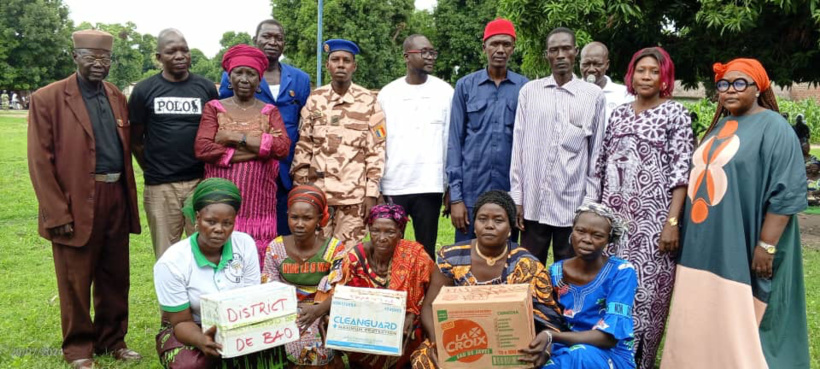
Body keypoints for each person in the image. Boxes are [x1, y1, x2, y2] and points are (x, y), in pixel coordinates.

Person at [662, 59, 810, 368]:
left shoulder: (775, 127)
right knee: (701, 309)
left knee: (745, 314)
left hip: (743, 242)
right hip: (703, 246)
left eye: (740, 83)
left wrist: (767, 245)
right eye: (724, 84)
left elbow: (786, 192)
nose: (730, 90)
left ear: (759, 88)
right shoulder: (718, 126)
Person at [27, 30, 142, 369]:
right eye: (90, 56)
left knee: (115, 275)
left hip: (115, 195)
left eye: (104, 58)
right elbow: (39, 160)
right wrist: (55, 212)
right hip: (74, 201)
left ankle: (113, 341)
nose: (98, 63)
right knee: (75, 279)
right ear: (74, 56)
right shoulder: (48, 98)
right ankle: (79, 349)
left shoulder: (116, 95)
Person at [594, 47, 693, 369]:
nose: (646, 77)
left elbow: (682, 174)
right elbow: (602, 165)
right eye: (641, 70)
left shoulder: (675, 113)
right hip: (614, 224)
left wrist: (673, 222)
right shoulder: (619, 113)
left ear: (664, 77)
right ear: (631, 75)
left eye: (654, 71)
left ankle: (641, 361)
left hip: (654, 226)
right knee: (611, 288)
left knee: (648, 297)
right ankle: (607, 355)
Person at [411, 190, 565, 368]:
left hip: (508, 341)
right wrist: (439, 343)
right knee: (425, 361)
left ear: (510, 229)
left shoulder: (525, 264)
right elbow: (430, 306)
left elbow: (548, 318)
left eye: (498, 220)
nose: (489, 225)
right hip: (460, 340)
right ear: (474, 225)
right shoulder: (451, 258)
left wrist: (542, 349)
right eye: (482, 219)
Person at [154, 178, 286, 369]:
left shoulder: (245, 244)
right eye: (211, 221)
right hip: (190, 326)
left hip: (238, 322)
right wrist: (202, 340)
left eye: (227, 223)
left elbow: (250, 299)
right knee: (189, 364)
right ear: (197, 218)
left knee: (274, 349)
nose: (219, 229)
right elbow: (181, 321)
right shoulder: (172, 262)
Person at [510, 27, 606, 264]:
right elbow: (518, 148)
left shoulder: (593, 96)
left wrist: (588, 205)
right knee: (530, 269)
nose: (561, 55)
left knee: (570, 272)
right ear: (547, 55)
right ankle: (533, 304)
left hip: (572, 204)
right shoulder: (529, 92)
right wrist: (517, 197)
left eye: (566, 49)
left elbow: (597, 154)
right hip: (533, 203)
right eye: (554, 50)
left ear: (575, 52)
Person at [194, 44, 291, 268]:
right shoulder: (214, 108)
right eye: (239, 73)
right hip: (220, 200)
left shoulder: (269, 111)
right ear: (229, 77)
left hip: (260, 203)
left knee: (255, 263)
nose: (244, 79)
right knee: (219, 256)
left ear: (259, 81)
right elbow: (203, 149)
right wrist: (260, 149)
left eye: (251, 74)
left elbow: (282, 147)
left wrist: (232, 136)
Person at [129, 28, 219, 258]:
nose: (180, 56)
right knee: (166, 255)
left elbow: (216, 131)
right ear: (159, 58)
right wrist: (151, 167)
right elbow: (135, 139)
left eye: (184, 50)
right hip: (160, 187)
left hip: (199, 182)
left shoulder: (206, 88)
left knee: (205, 250)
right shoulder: (144, 90)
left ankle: (202, 296)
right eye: (171, 51)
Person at [219, 19, 311, 238]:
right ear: (255, 40)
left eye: (278, 38)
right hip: (250, 165)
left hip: (289, 166)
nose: (272, 42)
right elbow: (225, 116)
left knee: (286, 227)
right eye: (266, 37)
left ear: (284, 44)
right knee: (250, 225)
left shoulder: (300, 78)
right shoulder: (236, 75)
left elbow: (305, 122)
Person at [291, 39, 385, 247]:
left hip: (353, 198)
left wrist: (371, 193)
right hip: (317, 195)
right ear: (328, 65)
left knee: (348, 257)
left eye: (346, 60)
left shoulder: (368, 101)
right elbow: (304, 146)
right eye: (335, 59)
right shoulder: (315, 99)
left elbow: (376, 150)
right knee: (317, 253)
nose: (341, 64)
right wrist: (301, 189)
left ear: (354, 66)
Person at [446, 19, 528, 243]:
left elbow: (529, 146)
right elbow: (455, 141)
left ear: (513, 48)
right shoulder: (465, 86)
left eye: (506, 44)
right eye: (494, 44)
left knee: (506, 258)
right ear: (484, 47)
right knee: (465, 259)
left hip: (509, 193)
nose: (500, 50)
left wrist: (521, 199)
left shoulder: (525, 88)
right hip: (472, 192)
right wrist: (456, 198)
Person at [324, 204, 434, 368]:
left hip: (406, 326)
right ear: (369, 230)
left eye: (390, 232)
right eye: (375, 231)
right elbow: (338, 293)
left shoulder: (416, 256)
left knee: (415, 329)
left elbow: (434, 294)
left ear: (400, 232)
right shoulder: (355, 258)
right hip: (363, 329)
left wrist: (412, 314)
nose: (382, 238)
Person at [378, 34, 454, 258]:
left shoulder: (445, 93)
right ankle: (391, 291)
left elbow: (451, 141)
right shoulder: (387, 94)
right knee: (389, 248)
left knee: (426, 250)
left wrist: (450, 187)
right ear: (406, 57)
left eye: (432, 52)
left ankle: (425, 292)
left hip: (430, 184)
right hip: (394, 183)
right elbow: (378, 141)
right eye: (424, 52)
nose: (430, 57)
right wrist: (378, 186)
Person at [542, 203, 638, 368]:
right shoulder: (556, 271)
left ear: (609, 239)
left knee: (580, 355)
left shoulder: (621, 272)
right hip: (563, 347)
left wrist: (552, 336)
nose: (586, 240)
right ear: (572, 231)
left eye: (597, 235)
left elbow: (609, 338)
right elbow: (549, 319)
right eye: (580, 231)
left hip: (609, 353)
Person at [261, 184, 347, 368]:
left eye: (307, 218)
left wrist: (317, 311)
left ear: (319, 219)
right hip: (286, 310)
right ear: (288, 217)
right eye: (294, 217)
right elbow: (269, 289)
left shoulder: (334, 249)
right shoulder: (276, 248)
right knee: (292, 351)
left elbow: (341, 291)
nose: (299, 224)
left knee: (315, 354)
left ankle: (335, 357)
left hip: (324, 310)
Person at [579, 41, 634, 124]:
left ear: (607, 65)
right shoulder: (569, 92)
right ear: (580, 64)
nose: (591, 69)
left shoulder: (624, 94)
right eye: (586, 64)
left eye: (597, 64)